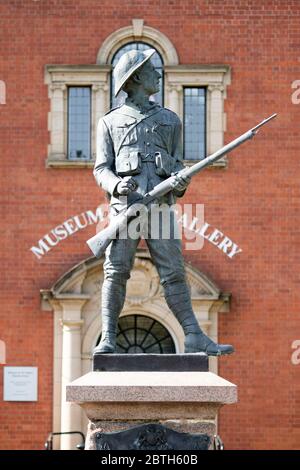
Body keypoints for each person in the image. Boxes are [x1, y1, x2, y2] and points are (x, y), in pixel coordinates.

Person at [93, 48, 234, 356]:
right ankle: (108, 338)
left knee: (173, 272)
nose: (157, 74)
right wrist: (117, 184)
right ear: (135, 79)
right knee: (115, 271)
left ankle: (194, 336)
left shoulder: (170, 121)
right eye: (150, 70)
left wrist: (181, 179)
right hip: (127, 209)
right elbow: (101, 168)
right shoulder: (109, 123)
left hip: (159, 208)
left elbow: (178, 165)